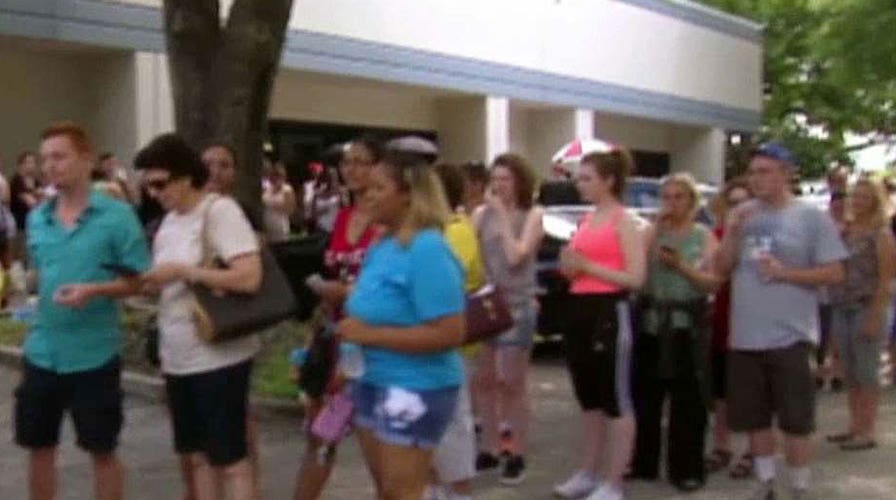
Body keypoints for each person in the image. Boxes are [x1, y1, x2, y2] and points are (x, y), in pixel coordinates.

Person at [14, 121, 151, 500]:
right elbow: (38, 277)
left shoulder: (117, 217)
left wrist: (96, 289)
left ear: (86, 159)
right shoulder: (37, 219)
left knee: (101, 450)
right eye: (45, 160)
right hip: (42, 352)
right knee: (39, 448)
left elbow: (140, 281)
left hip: (94, 355)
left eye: (59, 157)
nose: (50, 167)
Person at [716, 143, 847, 499]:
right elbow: (721, 268)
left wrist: (787, 273)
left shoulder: (810, 218)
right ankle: (766, 484)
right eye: (753, 172)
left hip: (791, 335)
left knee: (795, 421)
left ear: (787, 174)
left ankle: (800, 487)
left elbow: (835, 272)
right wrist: (732, 231)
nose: (757, 179)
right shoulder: (744, 214)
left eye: (766, 171)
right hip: (745, 336)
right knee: (755, 418)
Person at [136, 134, 263, 500]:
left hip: (218, 354)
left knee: (231, 459)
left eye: (160, 183)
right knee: (197, 457)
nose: (155, 193)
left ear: (186, 176)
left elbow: (249, 276)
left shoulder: (218, 211)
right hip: (178, 356)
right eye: (148, 186)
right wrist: (150, 282)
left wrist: (183, 271)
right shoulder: (168, 223)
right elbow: (170, 279)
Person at [338, 151, 466, 499]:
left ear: (408, 193)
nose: (368, 194)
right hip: (370, 380)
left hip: (415, 387)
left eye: (379, 187)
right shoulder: (383, 245)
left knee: (403, 490)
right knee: (387, 489)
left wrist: (371, 335)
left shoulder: (428, 249)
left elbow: (450, 332)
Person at [551, 147, 646, 500]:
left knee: (615, 398)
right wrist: (570, 265)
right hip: (579, 307)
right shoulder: (586, 220)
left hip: (610, 310)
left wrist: (589, 268)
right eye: (579, 178)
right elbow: (575, 267)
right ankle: (588, 471)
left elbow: (635, 278)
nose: (581, 184)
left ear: (608, 181)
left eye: (588, 178)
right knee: (589, 398)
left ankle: (614, 480)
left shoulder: (626, 221)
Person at [293, 137, 383, 500]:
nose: (351, 169)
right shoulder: (343, 216)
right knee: (321, 434)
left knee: (376, 444)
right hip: (335, 338)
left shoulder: (387, 223)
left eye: (361, 161)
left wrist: (345, 292)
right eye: (347, 163)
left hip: (373, 345)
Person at [629, 173, 721, 493]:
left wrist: (682, 266)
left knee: (689, 401)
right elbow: (635, 267)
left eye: (678, 197)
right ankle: (644, 461)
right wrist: (655, 226)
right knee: (646, 398)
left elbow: (713, 282)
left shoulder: (703, 236)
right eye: (666, 197)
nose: (671, 203)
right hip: (652, 322)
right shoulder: (650, 233)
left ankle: (687, 468)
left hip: (686, 325)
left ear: (692, 202)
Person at [472, 153, 544, 485]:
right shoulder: (479, 215)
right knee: (484, 380)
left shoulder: (532, 215)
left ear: (520, 181)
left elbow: (517, 256)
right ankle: (488, 445)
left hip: (517, 305)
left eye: (507, 178)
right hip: (489, 303)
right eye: (496, 178)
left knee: (511, 382)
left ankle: (516, 451)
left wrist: (501, 216)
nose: (499, 185)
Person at [427, 162, 486, 500]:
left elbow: (447, 282)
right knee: (437, 422)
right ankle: (436, 487)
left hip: (453, 344)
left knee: (453, 422)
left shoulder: (457, 230)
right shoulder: (435, 230)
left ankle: (458, 490)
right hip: (436, 345)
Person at [825, 177, 895, 450]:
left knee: (867, 372)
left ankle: (867, 430)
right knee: (850, 371)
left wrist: (876, 316)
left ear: (876, 201)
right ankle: (853, 426)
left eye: (865, 197)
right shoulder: (847, 231)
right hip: (842, 306)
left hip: (867, 307)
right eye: (856, 196)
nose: (858, 201)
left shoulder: (882, 235)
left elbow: (887, 279)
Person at [705, 179, 754, 479]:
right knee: (720, 391)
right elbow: (713, 271)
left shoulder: (764, 236)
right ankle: (721, 446)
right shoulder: (719, 235)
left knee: (752, 393)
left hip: (755, 323)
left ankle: (753, 449)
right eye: (733, 202)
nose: (740, 208)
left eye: (744, 202)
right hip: (723, 319)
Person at [10, 151, 42, 260]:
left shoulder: (37, 182)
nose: (31, 165)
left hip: (35, 225)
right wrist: (38, 196)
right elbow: (31, 202)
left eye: (33, 162)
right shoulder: (16, 181)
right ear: (21, 165)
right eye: (28, 162)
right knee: (22, 257)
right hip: (21, 225)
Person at [262, 163, 298, 242]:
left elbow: (290, 210)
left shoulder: (287, 189)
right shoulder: (267, 189)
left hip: (280, 224)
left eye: (278, 176)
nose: (274, 178)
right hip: (267, 224)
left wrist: (273, 205)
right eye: (273, 176)